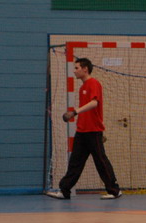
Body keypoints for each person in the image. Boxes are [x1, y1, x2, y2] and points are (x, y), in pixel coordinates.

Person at [46, 58, 121, 200]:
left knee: (101, 161)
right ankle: (65, 190)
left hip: (93, 130)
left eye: (77, 68)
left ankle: (114, 190)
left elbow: (94, 103)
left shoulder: (94, 83)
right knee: (75, 162)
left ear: (85, 69)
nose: (74, 71)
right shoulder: (82, 87)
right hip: (82, 131)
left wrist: (74, 112)